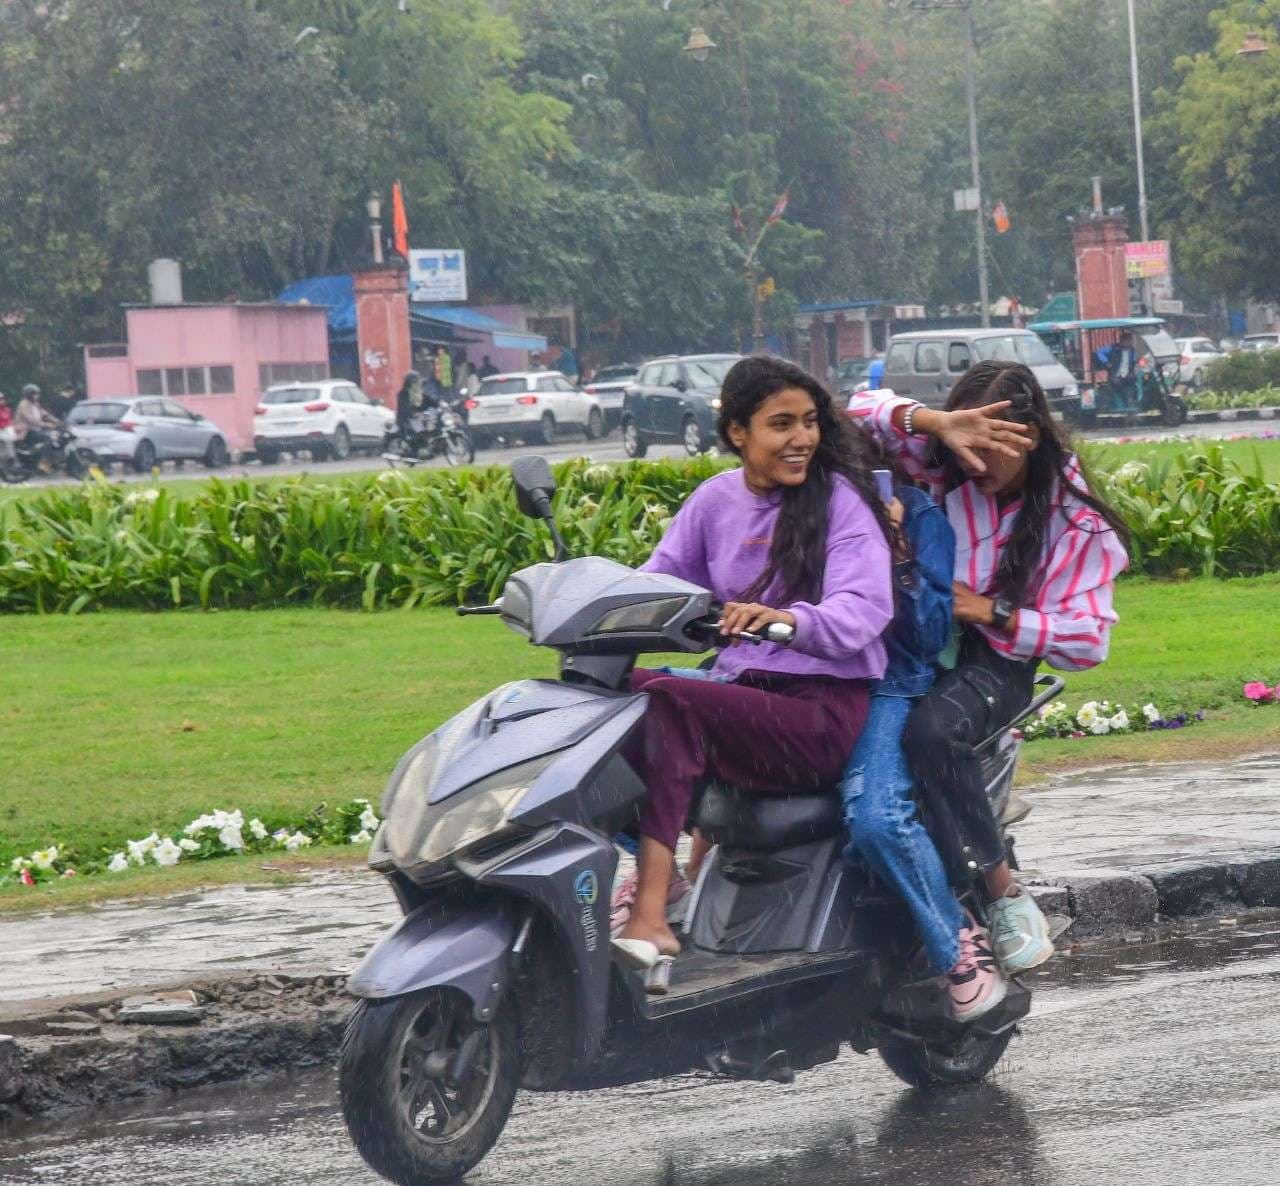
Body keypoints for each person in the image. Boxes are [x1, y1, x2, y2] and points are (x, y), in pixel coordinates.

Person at [612, 355, 895, 991]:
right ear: (738, 432)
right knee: (601, 697)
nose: (802, 439)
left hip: (819, 714)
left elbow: (863, 607)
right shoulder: (715, 500)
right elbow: (658, 586)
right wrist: (589, 601)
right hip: (744, 703)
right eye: (781, 424)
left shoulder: (843, 503)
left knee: (670, 703)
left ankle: (652, 912)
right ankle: (662, 881)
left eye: (810, 422)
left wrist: (788, 620)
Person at [849, 361, 1129, 976]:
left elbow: (1087, 641)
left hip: (993, 662)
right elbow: (851, 414)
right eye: (966, 442)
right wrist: (933, 422)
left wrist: (992, 611)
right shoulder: (942, 464)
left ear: (1028, 435)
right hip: (910, 641)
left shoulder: (1075, 519)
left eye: (990, 446)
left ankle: (1002, 893)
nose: (975, 462)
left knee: (930, 734)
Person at [839, 443, 1008, 1020]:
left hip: (889, 683)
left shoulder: (917, 516)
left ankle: (956, 946)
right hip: (803, 681)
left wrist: (899, 552)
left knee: (877, 820)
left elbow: (930, 633)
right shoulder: (793, 514)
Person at [13, 384, 60, 468]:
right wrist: (47, 425)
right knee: (48, 438)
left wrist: (57, 421)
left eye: (37, 394)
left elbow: (45, 414)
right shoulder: (23, 405)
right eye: (35, 394)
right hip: (26, 431)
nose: (37, 396)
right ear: (29, 395)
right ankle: (44, 462)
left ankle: (52, 461)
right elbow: (32, 420)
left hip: (36, 430)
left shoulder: (35, 404)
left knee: (55, 436)